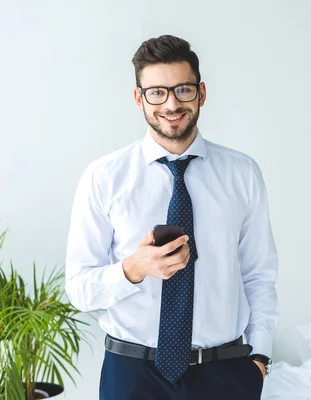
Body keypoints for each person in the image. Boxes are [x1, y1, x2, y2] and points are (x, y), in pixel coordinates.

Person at [65, 35, 278, 400]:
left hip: (226, 373)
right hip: (131, 375)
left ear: (202, 93)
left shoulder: (242, 174)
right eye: (157, 92)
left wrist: (259, 355)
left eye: (182, 89)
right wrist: (132, 269)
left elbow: (259, 272)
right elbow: (79, 289)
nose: (171, 104)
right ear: (139, 98)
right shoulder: (104, 177)